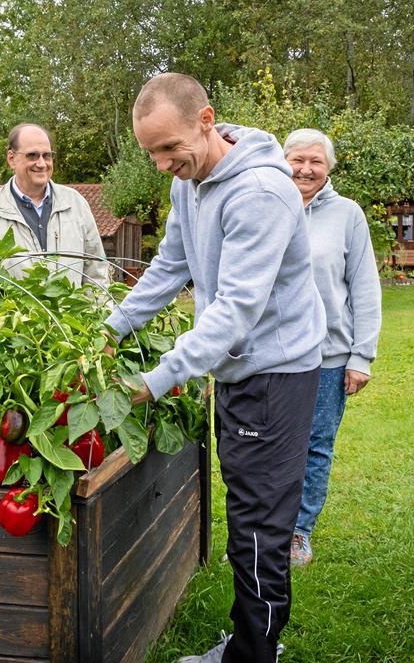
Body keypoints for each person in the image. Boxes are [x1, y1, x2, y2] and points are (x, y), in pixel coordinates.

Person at [103, 73, 326, 663]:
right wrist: (112, 327)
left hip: (275, 373)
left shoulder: (260, 192)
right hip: (238, 370)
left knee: (258, 524)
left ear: (207, 121)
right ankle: (253, 645)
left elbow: (236, 310)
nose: (160, 164)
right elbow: (169, 266)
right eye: (150, 152)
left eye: (168, 149)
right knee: (249, 508)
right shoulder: (190, 182)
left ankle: (255, 655)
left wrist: (154, 380)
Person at [284, 128, 382, 568]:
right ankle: (267, 530)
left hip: (329, 356)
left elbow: (365, 288)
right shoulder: (268, 204)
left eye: (315, 162)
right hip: (276, 355)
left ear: (329, 167)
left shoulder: (348, 214)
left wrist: (361, 356)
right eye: (297, 159)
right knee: (272, 447)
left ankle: (299, 533)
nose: (305, 169)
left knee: (315, 446)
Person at [0, 122, 108, 286]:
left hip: (72, 311)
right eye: (32, 155)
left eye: (47, 155)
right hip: (12, 311)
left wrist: (94, 310)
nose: (41, 163)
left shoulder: (75, 203)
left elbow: (97, 273)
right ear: (11, 159)